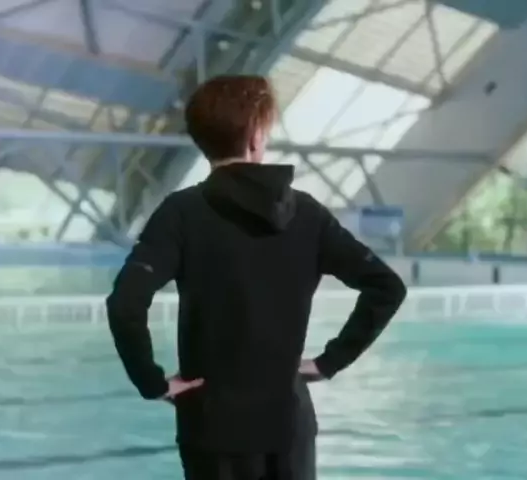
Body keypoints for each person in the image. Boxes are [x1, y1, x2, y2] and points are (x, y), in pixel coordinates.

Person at [105, 75, 407, 480]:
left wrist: (152, 382)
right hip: (290, 424)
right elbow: (387, 287)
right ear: (256, 135)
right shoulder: (308, 214)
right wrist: (329, 361)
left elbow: (125, 303)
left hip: (212, 425)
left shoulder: (181, 213)